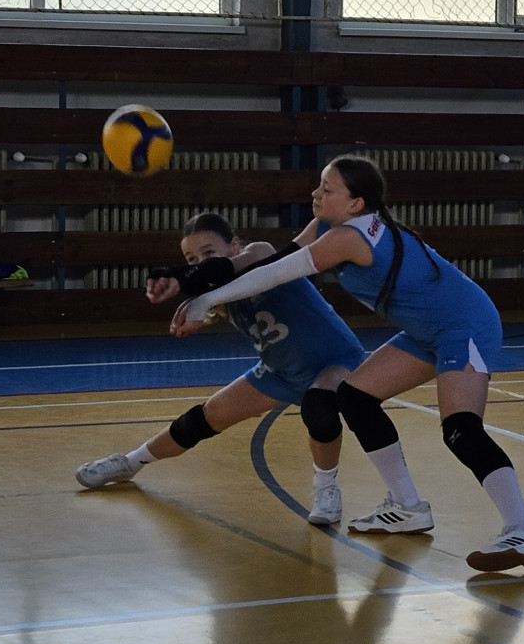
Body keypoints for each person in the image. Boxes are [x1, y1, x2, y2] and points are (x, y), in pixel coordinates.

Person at [171, 158, 524, 576]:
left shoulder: (348, 237)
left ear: (355, 203)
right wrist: (201, 294)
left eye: (327, 189)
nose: (316, 194)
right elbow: (273, 262)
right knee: (354, 397)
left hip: (465, 325)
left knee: (460, 430)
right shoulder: (328, 226)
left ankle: (523, 530)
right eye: (319, 185)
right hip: (426, 331)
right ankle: (407, 507)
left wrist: (208, 300)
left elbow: (275, 275)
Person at [75, 211, 365, 526]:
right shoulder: (215, 296)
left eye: (208, 252)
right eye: (191, 258)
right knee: (202, 420)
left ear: (234, 246)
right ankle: (129, 463)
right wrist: (196, 316)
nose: (200, 262)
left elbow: (235, 272)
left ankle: (326, 489)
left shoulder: (260, 253)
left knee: (320, 408)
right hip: (279, 372)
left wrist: (194, 292)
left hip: (335, 360)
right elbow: (211, 305)